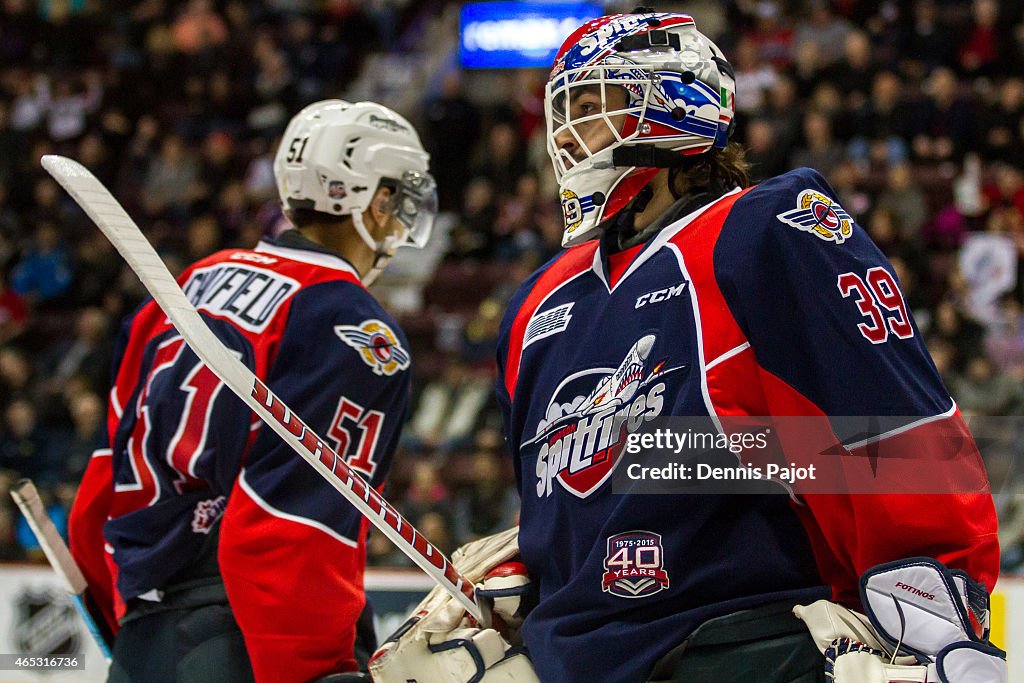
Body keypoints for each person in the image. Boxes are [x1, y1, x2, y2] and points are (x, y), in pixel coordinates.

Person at [488, 11, 999, 683]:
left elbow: (895, 427)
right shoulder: (536, 306)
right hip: (577, 661)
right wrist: (526, 570)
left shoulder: (760, 231)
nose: (570, 136)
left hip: (734, 643)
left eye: (592, 106)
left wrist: (940, 612)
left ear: (672, 105)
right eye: (567, 114)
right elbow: (579, 490)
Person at [67, 99, 437, 683]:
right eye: (397, 198)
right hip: (244, 641)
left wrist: (125, 615)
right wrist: (319, 669)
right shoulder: (352, 325)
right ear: (372, 197)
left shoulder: (192, 281)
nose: (397, 220)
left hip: (144, 635)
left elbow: (102, 476)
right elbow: (289, 525)